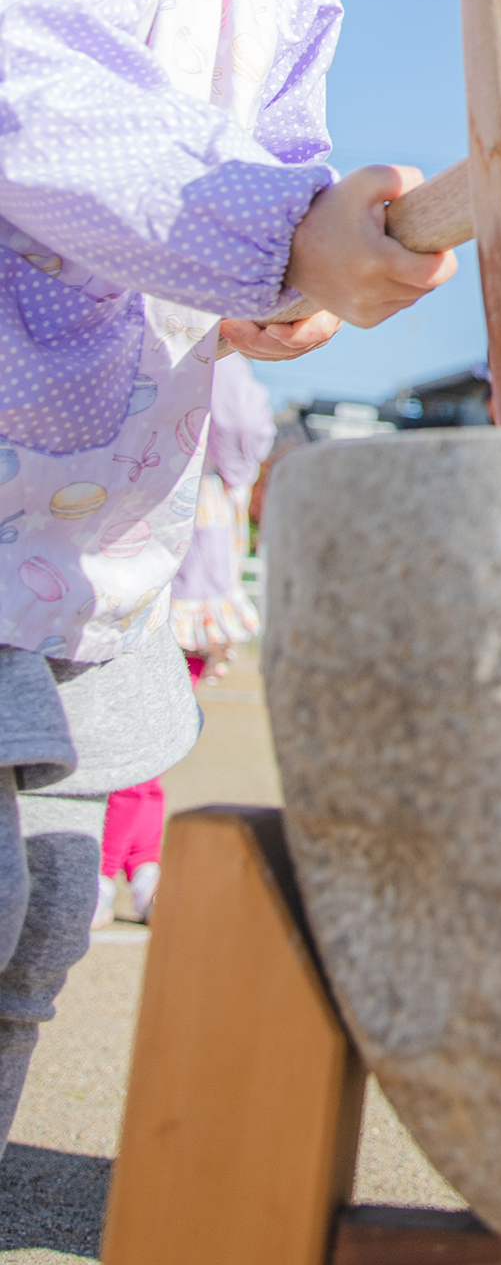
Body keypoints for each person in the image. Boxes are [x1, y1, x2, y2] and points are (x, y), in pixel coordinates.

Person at [0, 0, 463, 1150]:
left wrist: (306, 294)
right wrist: (279, 236)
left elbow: (276, 182)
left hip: (103, 526)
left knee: (51, 909)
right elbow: (36, 101)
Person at [93, 354, 277, 929]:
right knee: (136, 736)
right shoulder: (210, 341)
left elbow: (243, 426)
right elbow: (246, 430)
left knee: (130, 737)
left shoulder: (200, 338)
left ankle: (108, 872)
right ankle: (140, 867)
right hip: (172, 553)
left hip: (160, 554)